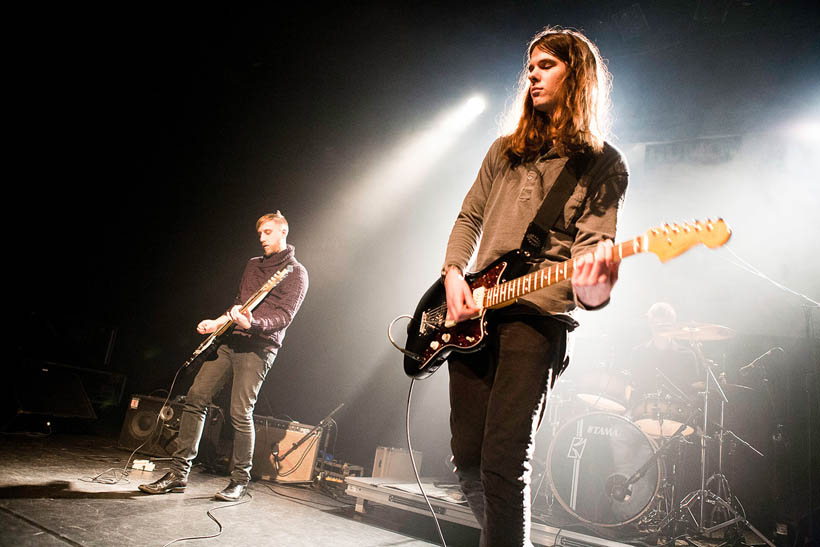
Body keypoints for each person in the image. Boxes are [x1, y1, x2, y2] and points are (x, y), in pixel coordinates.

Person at [441, 27, 628, 546]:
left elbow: (591, 253)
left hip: (537, 323)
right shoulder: (504, 150)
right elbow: (468, 217)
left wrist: (597, 284)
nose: (532, 74)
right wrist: (455, 273)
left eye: (546, 65)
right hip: (474, 315)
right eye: (530, 66)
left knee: (503, 465)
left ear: (577, 76)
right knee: (468, 461)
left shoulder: (604, 163)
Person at [139, 211, 308, 501]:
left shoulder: (296, 272)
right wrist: (217, 323)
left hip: (259, 348)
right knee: (195, 397)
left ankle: (239, 480)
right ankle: (179, 475)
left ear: (283, 231)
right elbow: (238, 304)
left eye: (267, 232)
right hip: (231, 341)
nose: (262, 238)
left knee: (240, 412)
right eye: (259, 234)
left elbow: (284, 317)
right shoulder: (253, 265)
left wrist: (253, 324)